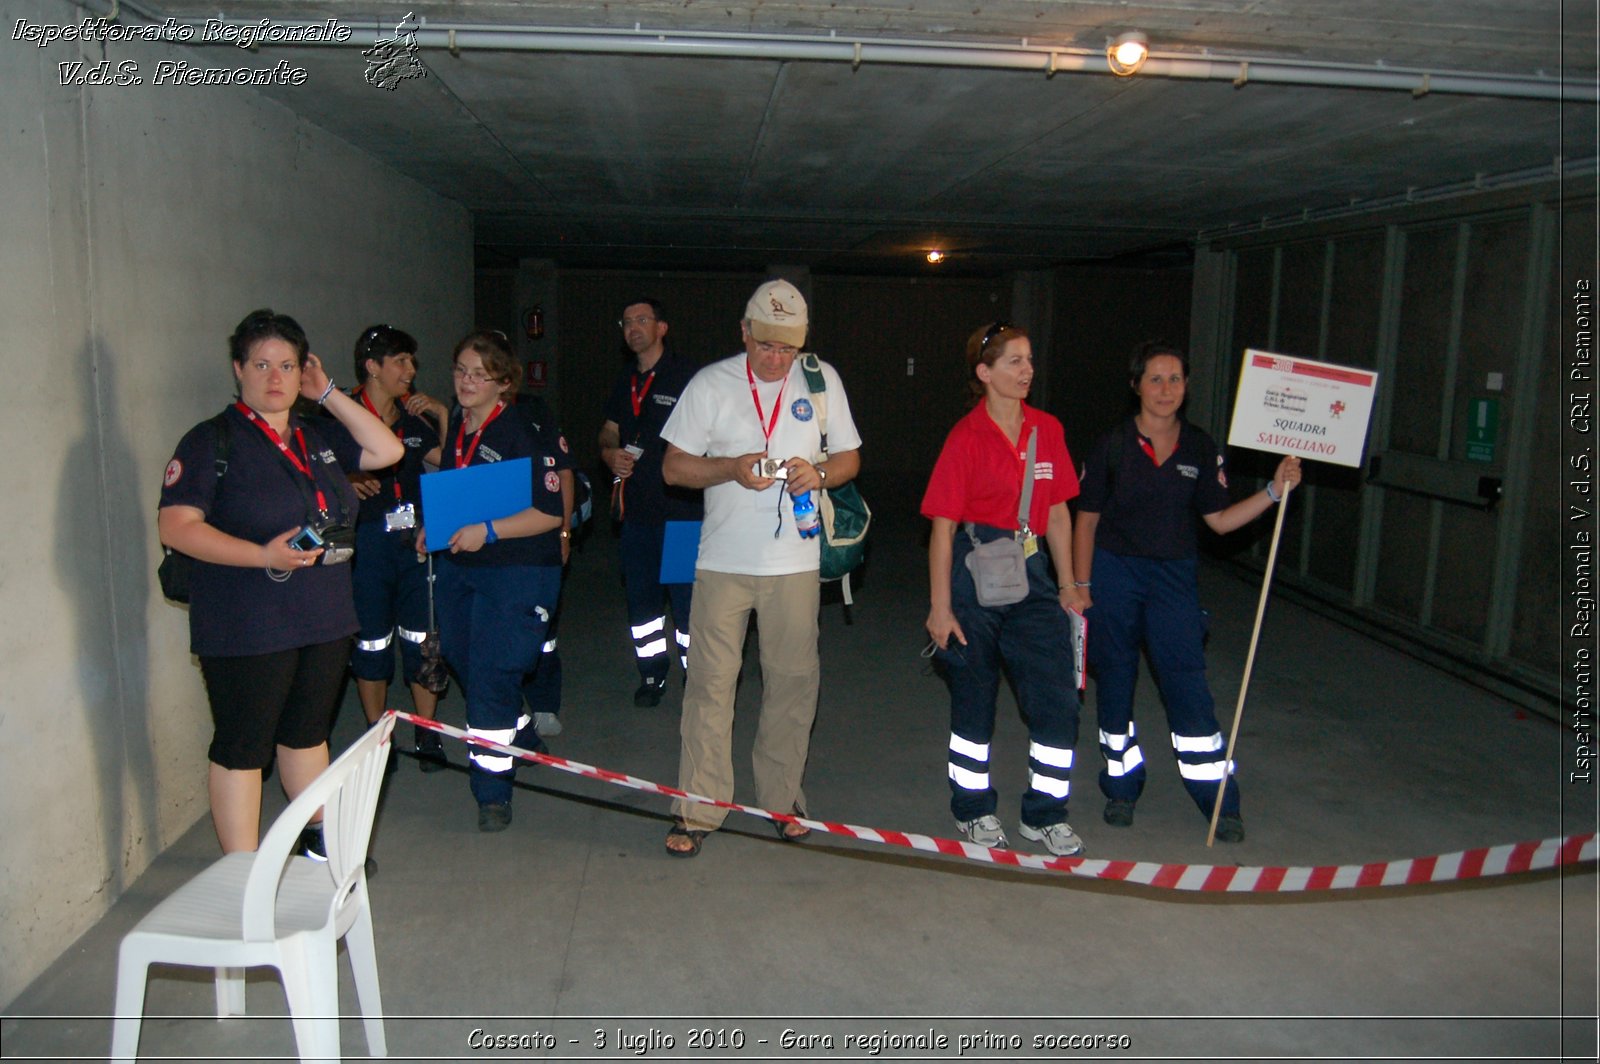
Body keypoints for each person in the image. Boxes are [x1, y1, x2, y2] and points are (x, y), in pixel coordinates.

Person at [158, 309, 404, 854]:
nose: (275, 378)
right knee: (244, 747)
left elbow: (388, 452)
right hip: (247, 623)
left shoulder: (315, 437)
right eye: (262, 364)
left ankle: (317, 841)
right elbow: (175, 526)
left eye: (289, 366)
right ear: (238, 371)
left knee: (306, 735)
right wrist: (259, 553)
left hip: (322, 617)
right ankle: (242, 873)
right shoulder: (211, 441)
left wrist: (331, 392)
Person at [658, 279, 861, 857]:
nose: (776, 360)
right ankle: (698, 808)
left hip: (795, 564)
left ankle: (782, 798)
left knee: (793, 684)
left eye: (787, 349)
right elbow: (674, 468)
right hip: (722, 562)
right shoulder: (711, 384)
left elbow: (848, 456)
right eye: (765, 346)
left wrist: (817, 474)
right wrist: (730, 468)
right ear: (743, 332)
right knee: (709, 687)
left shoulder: (821, 383)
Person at [1071, 341, 1302, 843]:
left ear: (1186, 387)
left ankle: (1217, 797)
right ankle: (1121, 788)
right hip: (1114, 575)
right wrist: (1082, 587)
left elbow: (1219, 521)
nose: (1166, 389)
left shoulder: (1199, 447)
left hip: (1174, 578)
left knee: (1188, 686)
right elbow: (1084, 522)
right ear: (1136, 386)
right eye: (1155, 379)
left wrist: (1272, 492)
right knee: (1115, 683)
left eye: (1176, 379)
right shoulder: (1111, 445)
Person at [921, 321, 1090, 856]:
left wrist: (1068, 585)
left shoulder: (1047, 429)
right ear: (984, 372)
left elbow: (1060, 512)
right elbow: (943, 529)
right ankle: (973, 808)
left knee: (1057, 698)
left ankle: (1045, 814)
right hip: (975, 575)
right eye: (1014, 361)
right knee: (974, 699)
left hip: (1033, 575)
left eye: (1030, 360)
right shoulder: (965, 437)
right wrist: (941, 608)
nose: (1027, 371)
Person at [413, 330, 564, 832]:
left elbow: (549, 512)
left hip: (520, 570)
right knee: (463, 658)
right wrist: (432, 528)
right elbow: (461, 490)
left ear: (504, 382)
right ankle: (520, 733)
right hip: (463, 568)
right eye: (460, 370)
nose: (466, 381)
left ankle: (492, 791)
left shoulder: (525, 429)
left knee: (490, 678)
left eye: (480, 373)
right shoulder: (458, 424)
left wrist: (490, 530)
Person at [343, 324, 448, 771]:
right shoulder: (339, 419)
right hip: (366, 547)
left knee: (423, 638)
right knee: (371, 643)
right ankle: (377, 737)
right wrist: (347, 478)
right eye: (401, 361)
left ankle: (428, 734)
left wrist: (444, 415)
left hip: (414, 545)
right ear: (373, 367)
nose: (411, 370)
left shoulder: (413, 420)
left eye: (411, 361)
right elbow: (308, 475)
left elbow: (455, 463)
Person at [598, 298, 702, 707]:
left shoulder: (687, 377)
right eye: (626, 322)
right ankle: (653, 674)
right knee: (642, 603)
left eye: (642, 320)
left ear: (662, 327)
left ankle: (698, 679)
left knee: (687, 604)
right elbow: (607, 431)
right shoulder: (624, 380)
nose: (633, 327)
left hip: (680, 513)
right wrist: (609, 454)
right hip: (635, 516)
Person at [514, 381, 575, 737]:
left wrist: (565, 531)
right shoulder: (466, 414)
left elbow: (563, 471)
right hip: (493, 542)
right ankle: (509, 711)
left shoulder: (535, 411)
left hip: (540, 536)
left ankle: (544, 705)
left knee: (543, 629)